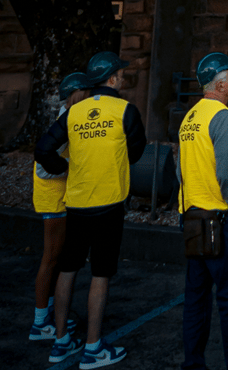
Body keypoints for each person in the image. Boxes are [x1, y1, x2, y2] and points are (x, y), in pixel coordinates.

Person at [35, 51, 146, 367]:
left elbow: (42, 149)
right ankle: (94, 348)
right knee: (101, 274)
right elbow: (136, 152)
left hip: (77, 204)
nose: (123, 78)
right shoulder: (125, 110)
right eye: (120, 74)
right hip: (108, 205)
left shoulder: (74, 113)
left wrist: (65, 168)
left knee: (67, 269)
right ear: (112, 79)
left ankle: (59, 343)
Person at [177, 52, 228, 370]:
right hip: (219, 219)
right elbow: (226, 174)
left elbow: (179, 169)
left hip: (192, 216)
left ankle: (193, 363)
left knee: (196, 297)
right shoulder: (223, 117)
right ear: (220, 84)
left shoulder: (190, 117)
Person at [29, 72, 90, 341]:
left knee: (55, 260)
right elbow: (44, 169)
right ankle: (40, 323)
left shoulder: (67, 119)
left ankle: (48, 316)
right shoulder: (65, 123)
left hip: (57, 198)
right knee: (51, 259)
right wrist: (74, 168)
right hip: (53, 199)